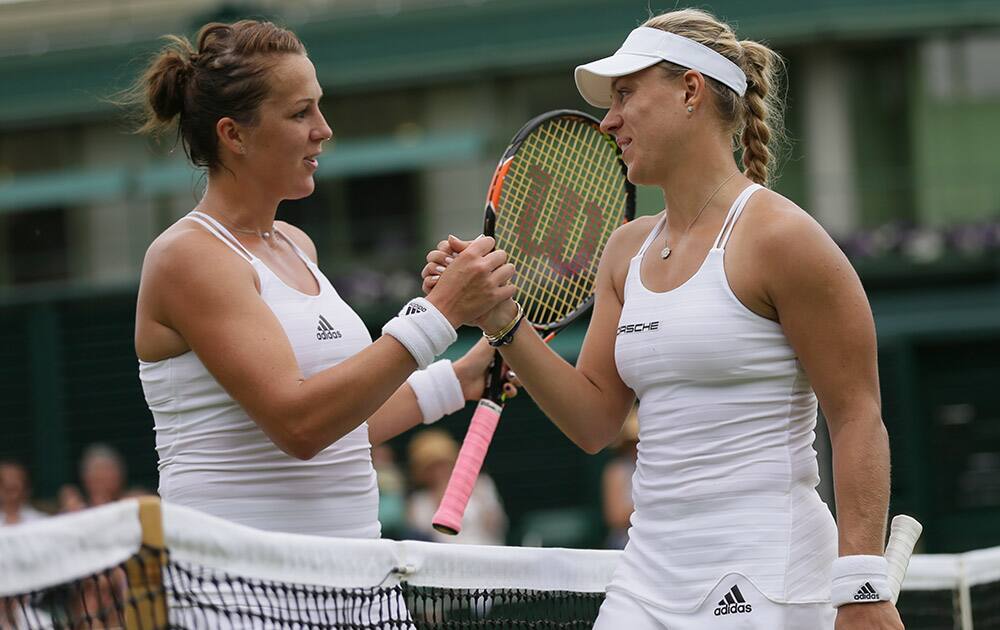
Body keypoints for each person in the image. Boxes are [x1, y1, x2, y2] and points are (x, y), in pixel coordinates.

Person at [423, 8, 900, 629]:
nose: (609, 119)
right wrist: (503, 322)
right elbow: (595, 420)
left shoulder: (783, 239)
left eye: (625, 93)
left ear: (690, 91)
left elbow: (857, 413)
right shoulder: (625, 251)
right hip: (646, 577)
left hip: (767, 578)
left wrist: (862, 586)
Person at [130, 19, 515, 540]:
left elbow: (343, 427)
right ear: (233, 134)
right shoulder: (189, 257)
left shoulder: (296, 244)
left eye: (318, 105)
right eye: (299, 112)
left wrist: (457, 378)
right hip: (241, 594)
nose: (324, 128)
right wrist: (441, 311)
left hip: (356, 578)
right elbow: (301, 426)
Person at [405, 428, 507, 545]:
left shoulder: (481, 485)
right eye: (431, 467)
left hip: (484, 554)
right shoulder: (418, 502)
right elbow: (421, 541)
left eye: (442, 464)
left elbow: (497, 526)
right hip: (444, 560)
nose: (439, 472)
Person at [601, 405, 637, 550]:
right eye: (633, 442)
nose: (637, 446)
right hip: (625, 544)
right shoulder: (617, 471)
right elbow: (615, 516)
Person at [0, 460, 47, 526]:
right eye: (2, 481)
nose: (8, 484)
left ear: (26, 486)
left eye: (14, 479)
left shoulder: (42, 521)